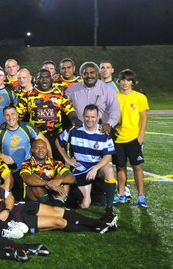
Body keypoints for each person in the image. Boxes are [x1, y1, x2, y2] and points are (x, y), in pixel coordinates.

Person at [0, 170, 115, 236]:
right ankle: (98, 227)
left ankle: (100, 224)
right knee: (58, 222)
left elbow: (9, 197)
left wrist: (6, 210)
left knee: (57, 211)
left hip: (18, 206)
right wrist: (1, 223)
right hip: (16, 221)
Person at [56, 104, 117, 224]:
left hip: (96, 166)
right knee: (85, 205)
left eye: (93, 117)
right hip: (80, 168)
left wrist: (96, 168)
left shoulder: (104, 132)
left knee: (109, 169)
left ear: (98, 117)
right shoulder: (74, 129)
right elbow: (58, 141)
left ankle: (109, 210)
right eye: (87, 117)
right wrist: (67, 159)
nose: (90, 120)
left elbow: (107, 156)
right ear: (83, 116)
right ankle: (80, 195)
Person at [16, 69, 80, 160]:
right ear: (36, 80)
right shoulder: (28, 95)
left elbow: (70, 110)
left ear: (51, 79)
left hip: (56, 136)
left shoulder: (60, 94)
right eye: (41, 77)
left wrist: (74, 119)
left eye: (47, 77)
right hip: (36, 136)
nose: (44, 79)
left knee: (58, 164)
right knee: (37, 165)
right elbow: (17, 115)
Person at [0, 104, 49, 200]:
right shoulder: (0, 132)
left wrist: (49, 159)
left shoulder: (27, 127)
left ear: (17, 115)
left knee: (34, 189)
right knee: (13, 194)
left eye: (13, 114)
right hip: (11, 168)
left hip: (27, 167)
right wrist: (1, 155)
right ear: (4, 117)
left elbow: (44, 141)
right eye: (7, 115)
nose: (10, 118)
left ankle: (48, 205)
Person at [114, 69, 149, 207]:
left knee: (137, 167)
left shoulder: (140, 97)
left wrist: (140, 137)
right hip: (117, 139)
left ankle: (141, 196)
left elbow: (144, 117)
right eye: (122, 79)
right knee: (120, 167)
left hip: (133, 138)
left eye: (128, 80)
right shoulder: (114, 96)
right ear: (119, 81)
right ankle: (121, 194)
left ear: (133, 82)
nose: (125, 82)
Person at [66, 62, 120, 135]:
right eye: (85, 73)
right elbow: (64, 106)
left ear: (97, 74)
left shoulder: (107, 89)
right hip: (79, 131)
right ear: (81, 75)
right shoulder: (72, 90)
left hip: (102, 131)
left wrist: (109, 124)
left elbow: (115, 110)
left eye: (92, 73)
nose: (89, 76)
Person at [21, 140, 75, 205]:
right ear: (32, 150)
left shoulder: (55, 162)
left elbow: (72, 178)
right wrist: (49, 184)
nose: (41, 150)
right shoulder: (26, 164)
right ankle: (50, 206)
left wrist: (60, 180)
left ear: (47, 150)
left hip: (51, 193)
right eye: (37, 148)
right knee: (34, 182)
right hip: (34, 196)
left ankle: (59, 204)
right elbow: (28, 179)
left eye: (43, 148)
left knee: (64, 179)